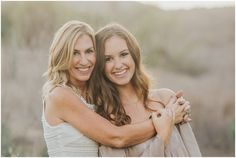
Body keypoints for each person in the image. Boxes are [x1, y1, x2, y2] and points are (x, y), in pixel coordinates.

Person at [41, 20, 181, 157]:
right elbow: (117, 138)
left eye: (89, 51)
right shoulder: (60, 96)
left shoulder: (92, 95)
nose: (84, 60)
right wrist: (167, 119)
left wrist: (167, 101)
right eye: (74, 53)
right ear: (61, 55)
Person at [89, 23, 201, 156]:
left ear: (134, 55)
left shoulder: (166, 99)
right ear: (99, 66)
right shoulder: (105, 120)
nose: (118, 65)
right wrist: (162, 137)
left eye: (124, 54)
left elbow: (192, 151)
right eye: (108, 59)